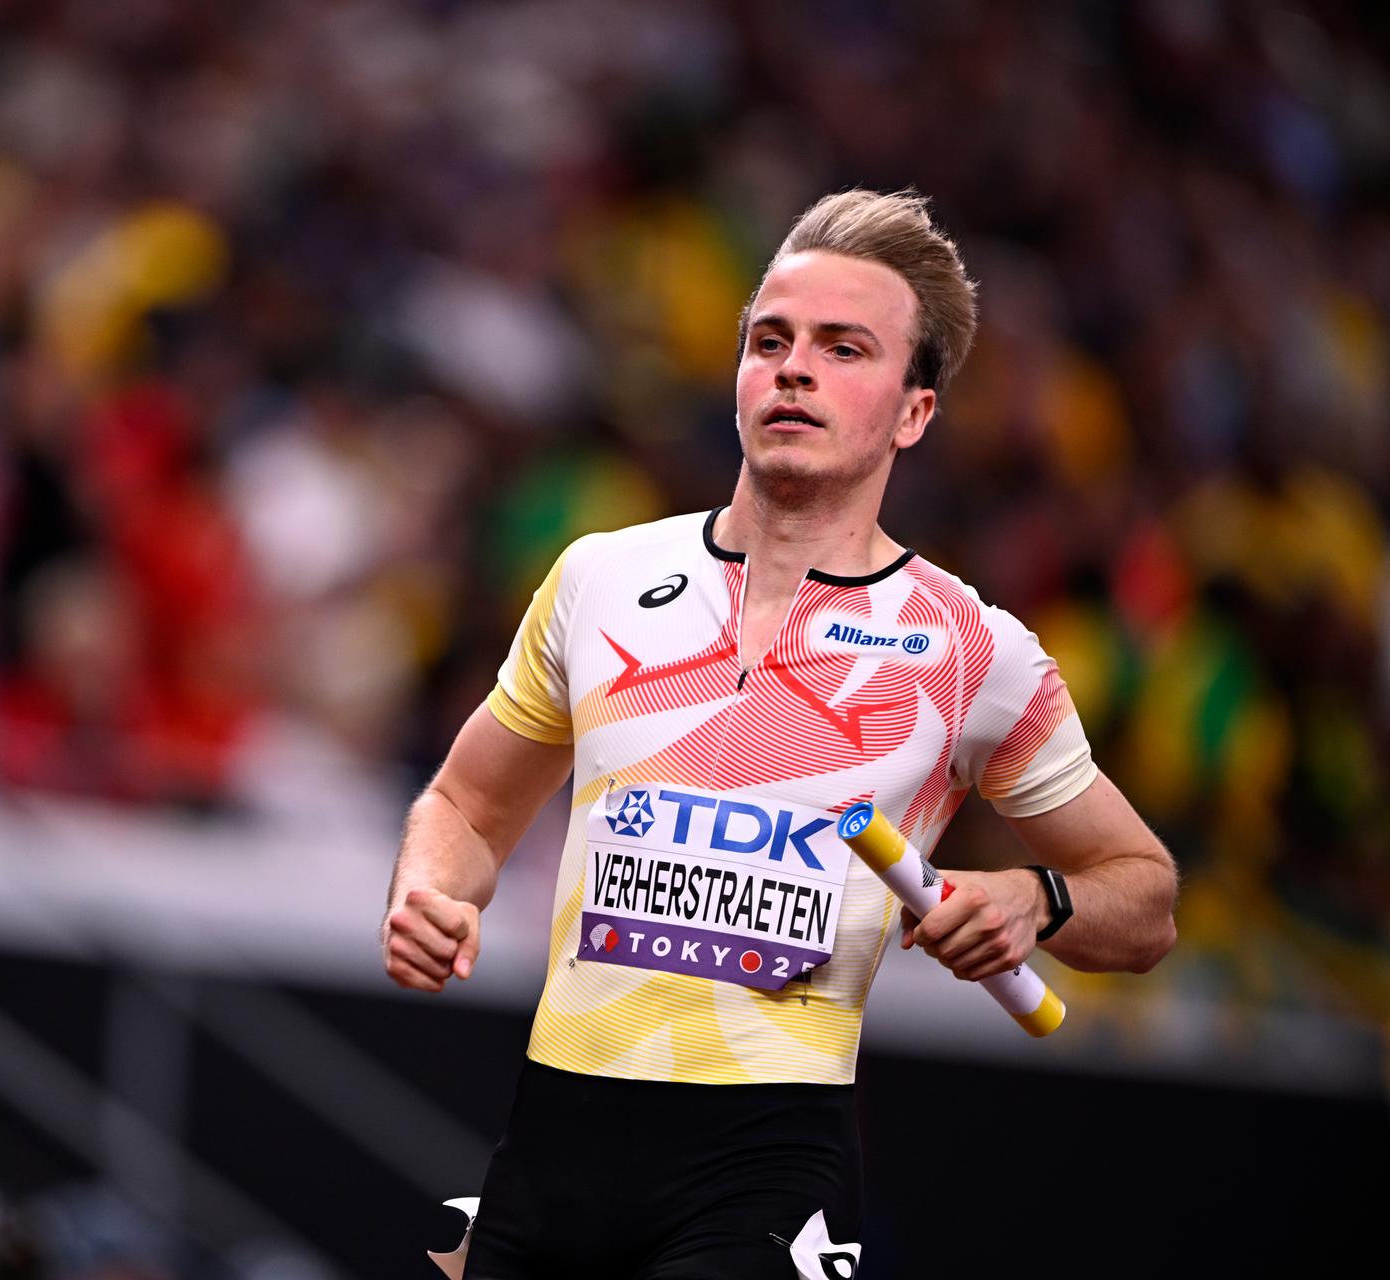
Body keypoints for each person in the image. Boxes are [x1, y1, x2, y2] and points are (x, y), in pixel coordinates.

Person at [380, 189, 1179, 1280]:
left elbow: (1147, 897)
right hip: (551, 1135)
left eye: (844, 347)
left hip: (760, 1158)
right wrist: (430, 886)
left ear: (913, 411)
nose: (793, 368)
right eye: (771, 341)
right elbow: (469, 805)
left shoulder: (971, 648)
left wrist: (1037, 898)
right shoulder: (600, 576)